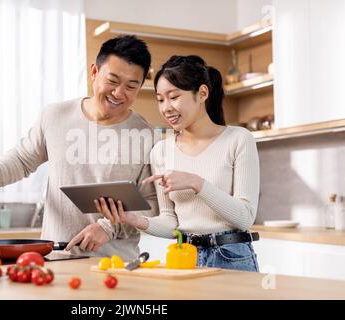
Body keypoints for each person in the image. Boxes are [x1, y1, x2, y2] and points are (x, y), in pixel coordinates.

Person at [0, 35, 159, 260]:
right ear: (94, 72)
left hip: (115, 265)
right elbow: (23, 159)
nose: (119, 93)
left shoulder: (146, 136)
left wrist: (108, 227)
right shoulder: (55, 116)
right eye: (112, 81)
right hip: (58, 260)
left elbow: (152, 206)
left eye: (131, 86)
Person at [95, 55, 260, 271]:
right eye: (160, 99)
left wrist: (196, 183)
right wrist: (132, 219)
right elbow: (171, 223)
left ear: (202, 93)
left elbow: (244, 217)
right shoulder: (161, 152)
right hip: (185, 258)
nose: (166, 108)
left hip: (232, 257)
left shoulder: (239, 139)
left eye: (173, 97)